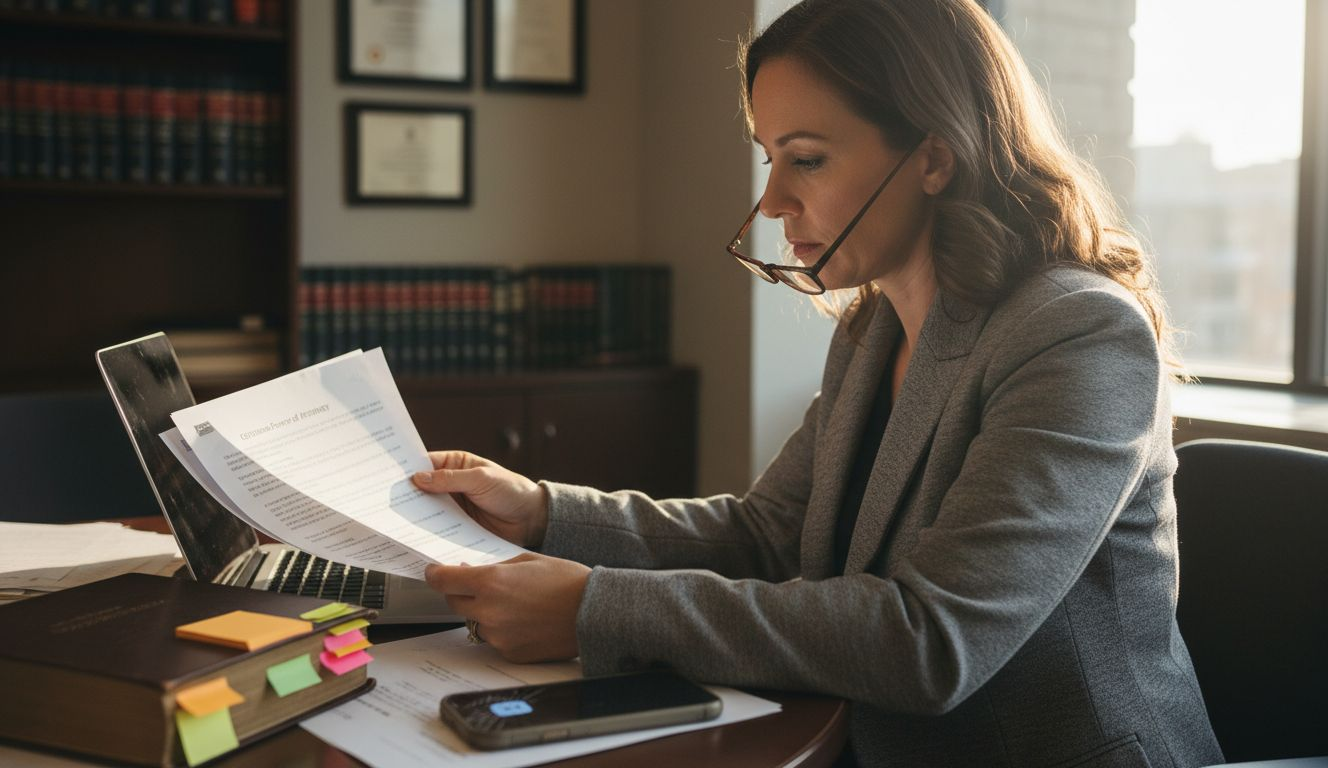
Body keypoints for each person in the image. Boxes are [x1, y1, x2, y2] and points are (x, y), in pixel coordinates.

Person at [411, 0, 1225, 765]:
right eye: (771, 159)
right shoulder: (874, 329)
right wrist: (545, 514)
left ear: (934, 157)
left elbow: (932, 639)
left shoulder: (1077, 333)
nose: (770, 202)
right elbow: (769, 536)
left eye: (806, 159)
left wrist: (596, 607)